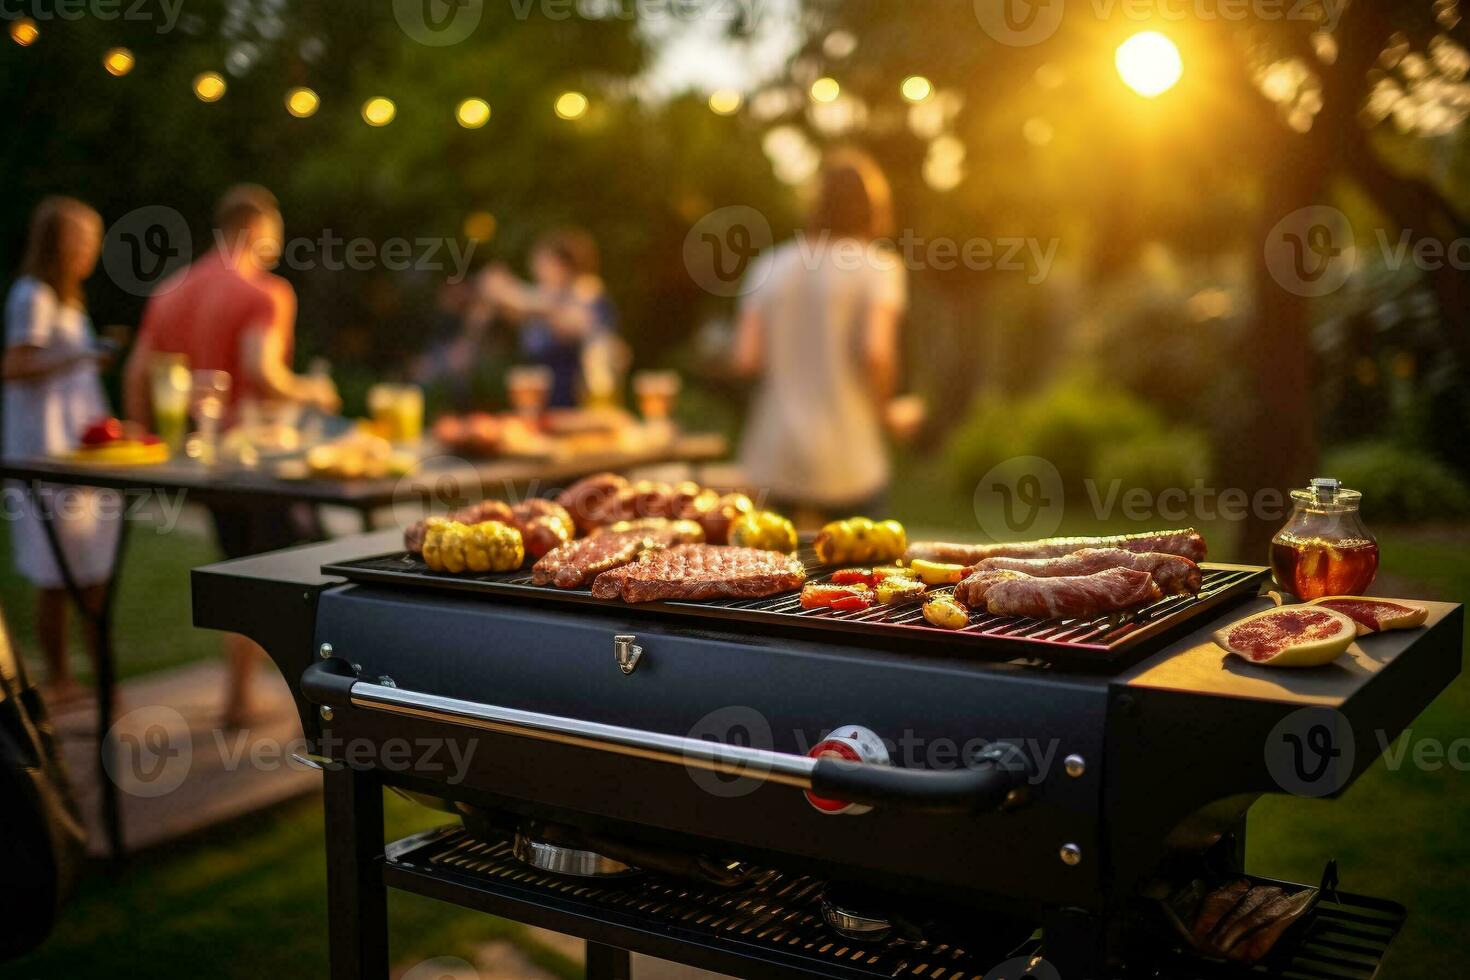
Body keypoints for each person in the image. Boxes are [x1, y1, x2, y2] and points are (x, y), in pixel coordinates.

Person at [122, 184, 339, 727]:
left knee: (238, 564)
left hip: (205, 458)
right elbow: (262, 372)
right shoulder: (265, 292)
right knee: (294, 575)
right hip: (258, 461)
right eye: (276, 233)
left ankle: (241, 694)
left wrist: (147, 441)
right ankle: (302, 704)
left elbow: (136, 373)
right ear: (258, 230)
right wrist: (315, 392)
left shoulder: (171, 290)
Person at [732, 149, 908, 525]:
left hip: (774, 455)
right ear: (872, 208)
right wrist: (888, 414)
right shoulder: (877, 267)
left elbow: (746, 358)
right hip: (850, 461)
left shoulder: (770, 264)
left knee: (771, 577)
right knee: (869, 577)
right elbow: (876, 352)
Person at [2, 196, 119, 703]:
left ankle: (96, 681)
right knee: (57, 574)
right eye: (83, 238)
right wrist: (80, 353)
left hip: (75, 456)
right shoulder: (33, 296)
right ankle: (61, 680)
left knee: (90, 571)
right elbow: (15, 365)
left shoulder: (68, 300)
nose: (91, 249)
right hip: (44, 458)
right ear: (57, 242)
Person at [477, 228, 619, 409]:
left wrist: (506, 291)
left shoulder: (586, 292)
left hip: (578, 398)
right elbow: (518, 308)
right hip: (544, 396)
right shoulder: (547, 297)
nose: (536, 270)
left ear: (564, 266)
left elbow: (561, 317)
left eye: (542, 263)